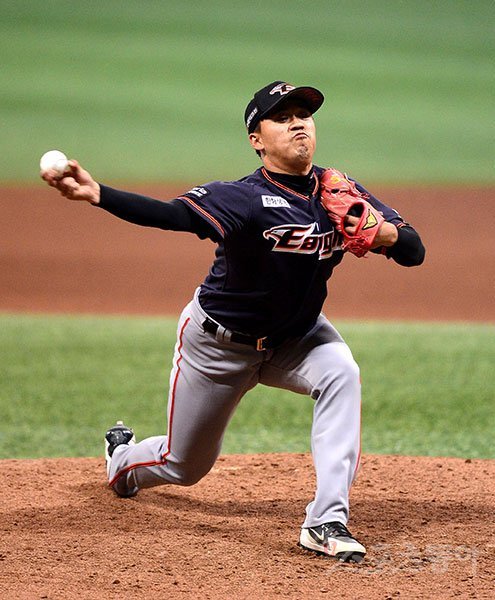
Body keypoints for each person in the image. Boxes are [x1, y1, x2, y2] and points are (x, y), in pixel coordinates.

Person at [41, 80, 425, 563]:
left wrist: (380, 232)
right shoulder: (242, 197)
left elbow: (414, 251)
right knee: (184, 465)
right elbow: (172, 216)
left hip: (299, 338)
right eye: (282, 117)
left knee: (342, 373)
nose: (298, 124)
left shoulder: (340, 191)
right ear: (256, 140)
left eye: (304, 115)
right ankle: (122, 461)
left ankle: (326, 520)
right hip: (219, 346)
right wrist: (100, 194)